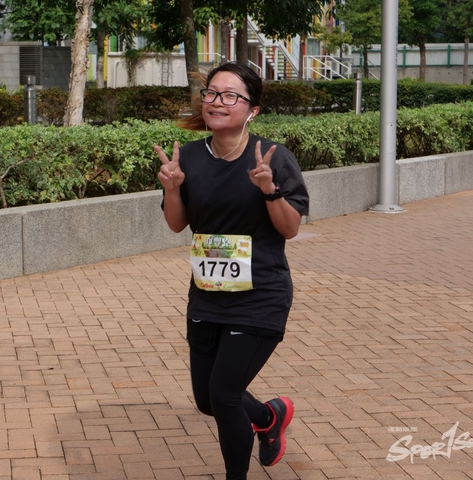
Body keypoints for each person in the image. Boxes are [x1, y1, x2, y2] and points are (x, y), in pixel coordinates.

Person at [153, 62, 310, 480]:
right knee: (208, 400)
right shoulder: (188, 158)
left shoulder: (272, 157)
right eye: (211, 93)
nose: (216, 102)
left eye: (229, 95)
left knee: (224, 395)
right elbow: (177, 224)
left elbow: (290, 229)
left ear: (252, 109)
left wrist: (269, 190)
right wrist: (172, 189)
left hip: (260, 295)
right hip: (207, 293)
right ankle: (269, 417)